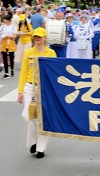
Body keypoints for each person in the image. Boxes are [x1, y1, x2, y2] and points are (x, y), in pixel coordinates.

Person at [17, 27, 57, 159]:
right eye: (35, 36)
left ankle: (41, 148)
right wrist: (20, 90)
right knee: (28, 116)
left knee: (41, 119)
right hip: (30, 87)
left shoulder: (51, 53)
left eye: (40, 36)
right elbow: (23, 71)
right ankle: (33, 141)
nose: (37, 38)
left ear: (45, 38)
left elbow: (54, 73)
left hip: (44, 88)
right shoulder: (29, 52)